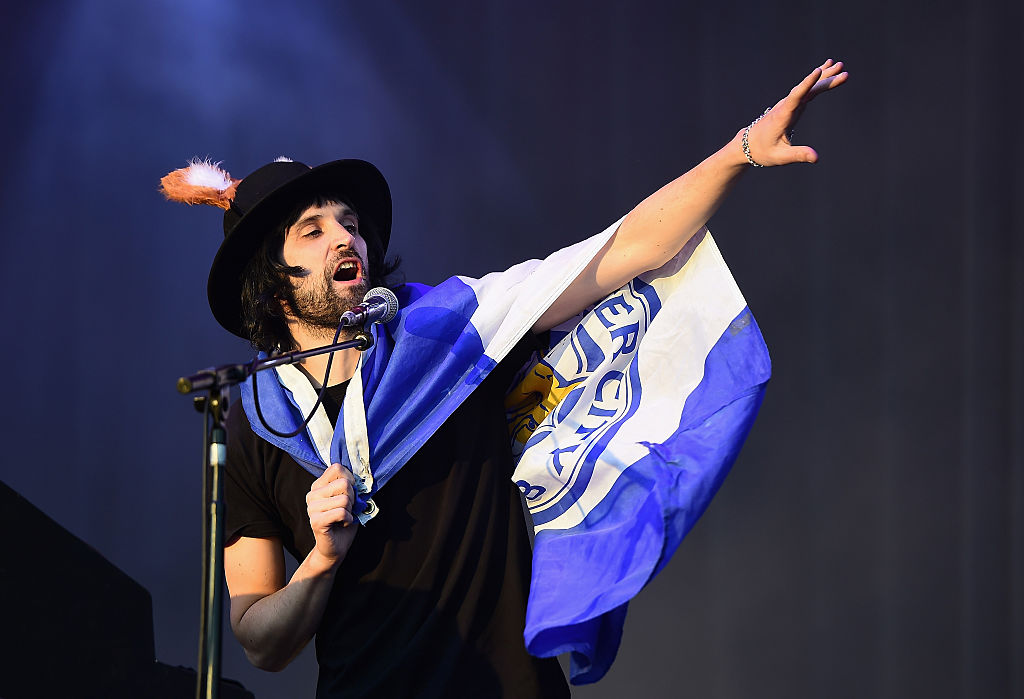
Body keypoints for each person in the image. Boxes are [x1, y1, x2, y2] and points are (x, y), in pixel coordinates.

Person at [162, 60, 847, 698]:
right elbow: (259, 638)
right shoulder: (256, 420)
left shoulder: (452, 333)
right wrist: (319, 561)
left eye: (348, 223)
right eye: (311, 232)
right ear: (272, 285)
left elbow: (628, 246)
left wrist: (741, 152)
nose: (346, 239)